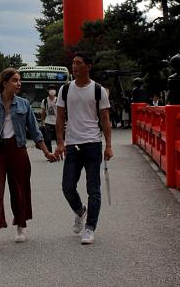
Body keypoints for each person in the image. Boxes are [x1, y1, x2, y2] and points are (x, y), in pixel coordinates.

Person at [0, 67, 56, 249]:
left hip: (18, 150)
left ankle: (20, 226)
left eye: (19, 81)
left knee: (19, 189)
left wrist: (46, 152)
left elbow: (34, 132)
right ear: (5, 83)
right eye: (15, 81)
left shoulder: (24, 104)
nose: (19, 84)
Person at [55, 51, 112, 245]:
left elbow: (105, 120)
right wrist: (60, 142)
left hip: (93, 144)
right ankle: (80, 211)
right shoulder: (65, 90)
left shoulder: (98, 90)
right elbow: (60, 118)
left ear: (88, 66)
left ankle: (90, 228)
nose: (74, 66)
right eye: (73, 63)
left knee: (93, 188)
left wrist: (109, 146)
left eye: (79, 63)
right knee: (67, 186)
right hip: (72, 144)